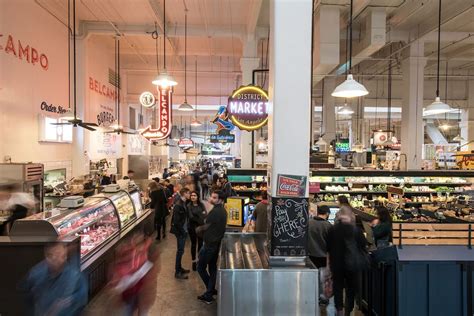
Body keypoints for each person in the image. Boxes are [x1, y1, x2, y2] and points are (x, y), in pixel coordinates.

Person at [19, 243, 87, 316]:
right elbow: (26, 294)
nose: (55, 259)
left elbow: (82, 296)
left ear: (65, 256)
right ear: (46, 256)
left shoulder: (74, 275)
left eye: (59, 255)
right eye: (50, 255)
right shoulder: (37, 273)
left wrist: (70, 300)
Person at [327, 211, 368, 316]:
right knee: (351, 288)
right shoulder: (356, 230)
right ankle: (348, 310)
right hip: (352, 264)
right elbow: (364, 245)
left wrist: (328, 264)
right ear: (351, 218)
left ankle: (339, 309)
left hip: (337, 264)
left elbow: (328, 248)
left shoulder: (332, 229)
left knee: (338, 287)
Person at [196, 190, 227, 304]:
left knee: (200, 267)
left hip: (209, 245)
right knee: (212, 267)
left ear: (220, 199)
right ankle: (212, 289)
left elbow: (205, 223)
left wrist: (199, 229)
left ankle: (209, 294)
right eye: (212, 197)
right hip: (216, 244)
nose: (211, 199)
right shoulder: (222, 210)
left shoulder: (215, 212)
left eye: (214, 198)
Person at [170, 187, 191, 280]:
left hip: (183, 230)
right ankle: (177, 272)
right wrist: (183, 232)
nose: (190, 195)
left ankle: (180, 268)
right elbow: (177, 221)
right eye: (188, 193)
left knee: (181, 251)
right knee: (180, 251)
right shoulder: (179, 205)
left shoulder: (183, 203)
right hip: (180, 231)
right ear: (184, 194)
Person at [187, 191, 207, 271]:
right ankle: (193, 262)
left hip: (201, 228)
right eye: (191, 195)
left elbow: (205, 214)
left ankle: (199, 260)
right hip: (192, 228)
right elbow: (191, 217)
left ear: (197, 197)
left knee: (200, 244)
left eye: (194, 195)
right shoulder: (189, 206)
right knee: (194, 244)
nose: (193, 197)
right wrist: (200, 217)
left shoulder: (201, 204)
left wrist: (198, 216)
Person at [308, 205, 332, 269]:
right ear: (327, 213)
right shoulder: (328, 225)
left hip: (310, 256)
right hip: (324, 257)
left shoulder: (309, 223)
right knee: (322, 276)